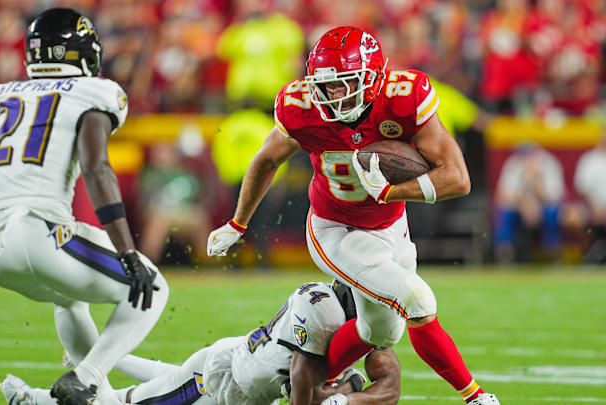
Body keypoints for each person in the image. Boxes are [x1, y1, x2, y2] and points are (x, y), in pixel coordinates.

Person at [207, 27, 499, 405]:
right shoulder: (300, 107)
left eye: (346, 84)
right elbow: (266, 160)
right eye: (328, 86)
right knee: (417, 299)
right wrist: (237, 223)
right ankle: (475, 397)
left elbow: (458, 179)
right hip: (336, 230)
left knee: (379, 332)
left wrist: (393, 192)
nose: (336, 96)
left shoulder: (403, 97)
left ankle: (308, 382)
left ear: (375, 77)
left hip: (392, 224)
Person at [0, 8, 167, 405]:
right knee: (153, 287)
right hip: (39, 232)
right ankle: (88, 377)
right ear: (81, 53)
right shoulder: (92, 92)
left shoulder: (2, 97)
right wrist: (128, 251)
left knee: (70, 299)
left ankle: (99, 398)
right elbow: (97, 171)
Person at [0, 280, 401, 405]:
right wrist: (343, 392)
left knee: (161, 376)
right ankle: (32, 398)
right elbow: (305, 390)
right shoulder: (323, 311)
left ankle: (90, 358)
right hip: (222, 382)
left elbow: (391, 388)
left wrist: (347, 397)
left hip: (236, 365)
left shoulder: (366, 328)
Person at [493, 143, 565, 263]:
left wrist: (536, 181)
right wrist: (524, 203)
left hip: (544, 207)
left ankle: (552, 254)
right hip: (519, 208)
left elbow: (554, 197)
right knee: (505, 213)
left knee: (552, 213)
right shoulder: (514, 163)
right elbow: (503, 195)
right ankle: (505, 254)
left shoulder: (550, 164)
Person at [573, 133, 606, 263]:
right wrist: (594, 207)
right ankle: (593, 252)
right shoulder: (589, 160)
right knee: (573, 216)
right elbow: (582, 188)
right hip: (592, 206)